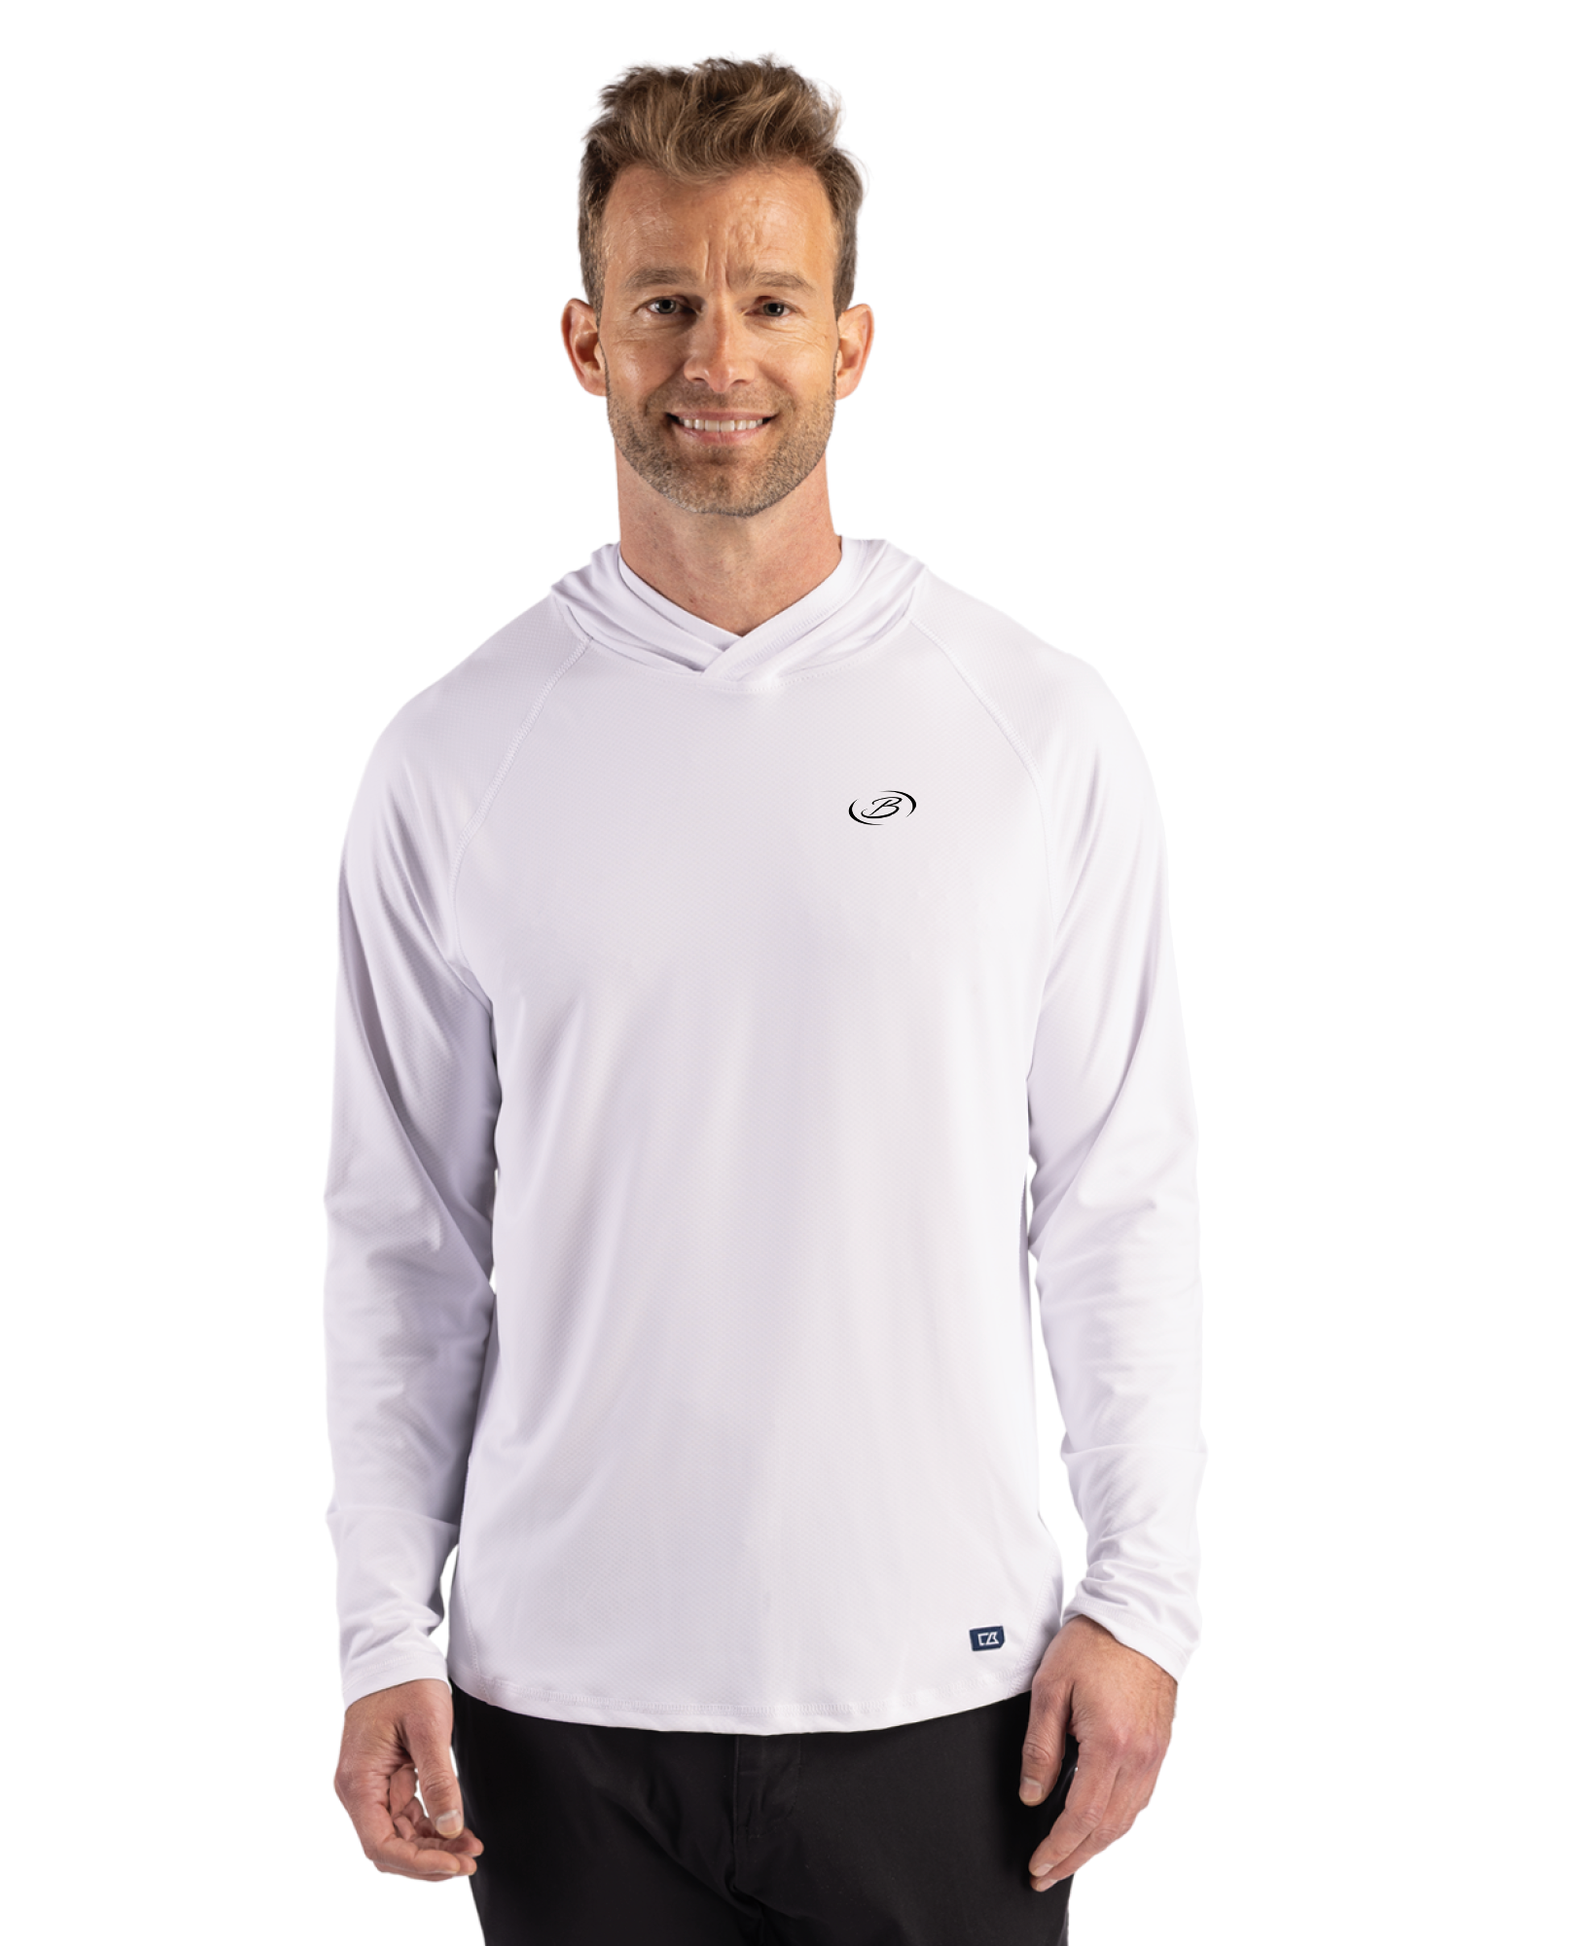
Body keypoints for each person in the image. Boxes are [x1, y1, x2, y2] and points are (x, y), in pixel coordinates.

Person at [324, 56, 1203, 1945]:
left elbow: (1114, 1195)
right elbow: (404, 1239)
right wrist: (381, 1628)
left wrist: (1142, 1599)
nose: (714, 354)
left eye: (768, 301)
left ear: (849, 343)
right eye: (663, 301)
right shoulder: (455, 757)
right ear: (585, 340)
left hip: (945, 1694)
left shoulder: (1028, 727)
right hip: (559, 1711)